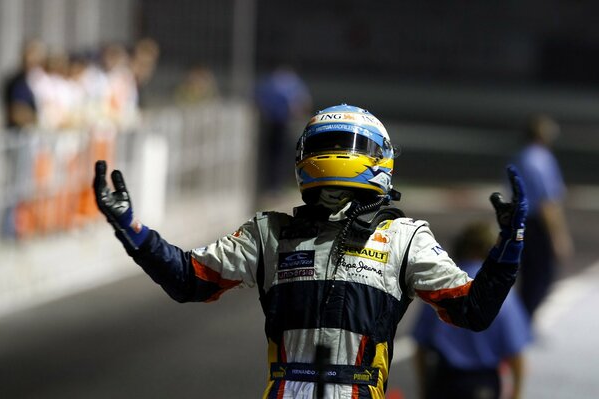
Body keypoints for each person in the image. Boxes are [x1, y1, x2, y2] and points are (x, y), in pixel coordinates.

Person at [93, 104, 527, 399]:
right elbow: (189, 280)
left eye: (345, 143)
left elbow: (473, 311)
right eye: (328, 143)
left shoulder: (403, 236)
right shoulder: (270, 232)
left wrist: (510, 243)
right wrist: (131, 229)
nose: (337, 153)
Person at [411, 220, 532, 399]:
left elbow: (421, 346)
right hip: (482, 385)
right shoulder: (503, 293)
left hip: (443, 381)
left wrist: (424, 389)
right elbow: (516, 353)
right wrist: (516, 394)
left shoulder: (441, 285)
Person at [513, 114, 573, 319]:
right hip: (538, 223)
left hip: (521, 220)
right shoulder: (541, 159)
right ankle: (523, 322)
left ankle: (522, 322)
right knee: (541, 275)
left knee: (528, 275)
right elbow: (548, 202)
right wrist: (558, 236)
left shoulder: (522, 156)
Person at [254, 64, 312, 198]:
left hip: (273, 123)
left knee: (273, 155)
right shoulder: (291, 83)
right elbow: (302, 102)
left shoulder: (272, 82)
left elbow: (259, 99)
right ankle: (275, 186)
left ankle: (273, 185)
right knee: (278, 155)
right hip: (280, 123)